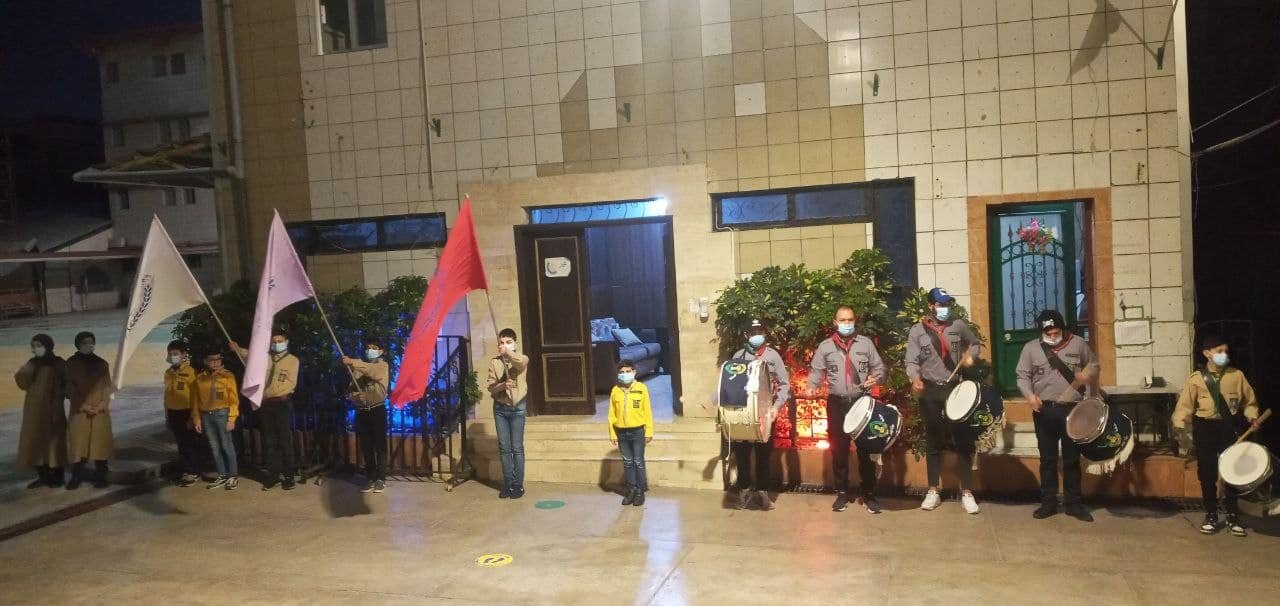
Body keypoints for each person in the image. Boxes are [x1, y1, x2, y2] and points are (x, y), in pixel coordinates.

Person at [1172, 333, 1261, 537]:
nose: (1224, 355)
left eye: (1226, 351)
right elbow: (1184, 406)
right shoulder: (1197, 379)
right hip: (1205, 429)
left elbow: (1250, 402)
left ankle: (1233, 516)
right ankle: (1211, 515)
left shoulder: (1237, 376)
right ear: (1207, 353)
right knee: (1207, 474)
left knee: (1232, 473)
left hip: (1229, 429)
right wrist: (1180, 428)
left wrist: (1252, 417)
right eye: (1219, 351)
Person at [1016, 309, 1099, 522]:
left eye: (1056, 332)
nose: (1053, 337)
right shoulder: (1031, 348)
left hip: (1074, 411)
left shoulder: (1078, 344)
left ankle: (1074, 504)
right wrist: (1030, 396)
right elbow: (1022, 376)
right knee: (1048, 460)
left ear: (1062, 329)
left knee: (1072, 459)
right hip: (1044, 410)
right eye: (1048, 333)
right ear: (1042, 332)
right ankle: (1048, 503)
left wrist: (1087, 374)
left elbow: (1094, 364)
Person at [907, 287, 983, 514]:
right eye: (940, 304)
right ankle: (933, 490)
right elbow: (911, 361)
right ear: (931, 306)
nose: (945, 308)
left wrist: (971, 356)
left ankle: (967, 492)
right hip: (930, 390)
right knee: (933, 440)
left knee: (962, 439)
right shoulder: (917, 331)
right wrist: (915, 379)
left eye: (947, 303)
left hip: (955, 389)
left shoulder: (958, 325)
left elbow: (975, 344)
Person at [805, 306, 886, 514]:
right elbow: (817, 371)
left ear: (855, 321)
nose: (847, 323)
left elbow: (880, 368)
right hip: (837, 403)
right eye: (843, 320)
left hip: (862, 402)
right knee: (839, 449)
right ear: (835, 322)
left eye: (850, 319)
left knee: (865, 449)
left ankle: (869, 494)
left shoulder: (865, 344)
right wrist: (812, 386)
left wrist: (876, 378)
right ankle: (842, 492)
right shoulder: (825, 346)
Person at [723, 319, 791, 511]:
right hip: (743, 414)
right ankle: (744, 490)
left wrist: (776, 407)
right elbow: (729, 383)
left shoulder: (773, 356)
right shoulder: (739, 356)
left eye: (760, 331)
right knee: (742, 455)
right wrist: (714, 400)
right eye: (753, 332)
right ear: (746, 335)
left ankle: (762, 493)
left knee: (763, 455)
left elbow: (784, 384)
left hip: (765, 414)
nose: (757, 335)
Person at [232, 331, 300, 490]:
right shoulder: (265, 358)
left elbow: (290, 384)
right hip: (266, 405)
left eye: (280, 341)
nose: (277, 344)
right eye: (274, 341)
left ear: (286, 342)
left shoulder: (292, 360)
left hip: (281, 404)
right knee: (269, 441)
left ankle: (289, 476)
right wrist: (237, 348)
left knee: (284, 441)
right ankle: (273, 475)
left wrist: (268, 393)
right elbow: (249, 355)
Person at [15, 334, 68, 488]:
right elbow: (23, 383)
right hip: (34, 410)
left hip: (53, 409)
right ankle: (43, 477)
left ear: (48, 346)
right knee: (36, 443)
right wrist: (21, 373)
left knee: (55, 444)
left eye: (39, 345)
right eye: (34, 346)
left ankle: (58, 478)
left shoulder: (59, 363)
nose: (36, 349)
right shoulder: (32, 363)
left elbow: (68, 383)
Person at [65, 331, 113, 490]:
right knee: (78, 445)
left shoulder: (102, 364)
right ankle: (76, 477)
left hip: (99, 411)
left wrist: (102, 405)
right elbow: (69, 389)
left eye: (91, 342)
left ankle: (102, 477)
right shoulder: (70, 364)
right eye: (85, 342)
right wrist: (83, 406)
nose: (89, 345)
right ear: (78, 345)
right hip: (80, 412)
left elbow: (107, 387)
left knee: (100, 445)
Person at [486, 328, 529, 499]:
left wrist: (508, 353)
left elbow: (520, 364)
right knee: (505, 448)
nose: (504, 345)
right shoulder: (494, 362)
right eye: (501, 343)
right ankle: (508, 484)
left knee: (517, 448)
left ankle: (518, 485)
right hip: (500, 409)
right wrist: (503, 385)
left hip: (518, 408)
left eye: (508, 342)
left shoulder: (522, 358)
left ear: (515, 344)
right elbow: (491, 388)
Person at [343, 339, 390, 494]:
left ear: (381, 351)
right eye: (368, 348)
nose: (370, 350)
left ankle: (381, 478)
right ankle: (371, 477)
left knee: (380, 446)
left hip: (377, 410)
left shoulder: (382, 366)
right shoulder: (358, 367)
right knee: (366, 447)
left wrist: (353, 362)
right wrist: (357, 397)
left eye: (374, 348)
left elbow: (373, 372)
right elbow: (350, 391)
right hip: (362, 412)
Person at [193, 351, 241, 490]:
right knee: (214, 447)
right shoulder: (200, 378)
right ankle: (222, 475)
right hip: (206, 416)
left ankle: (233, 475)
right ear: (205, 361)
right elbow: (195, 401)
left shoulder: (228, 376)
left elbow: (234, 399)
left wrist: (232, 419)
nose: (215, 363)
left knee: (227, 445)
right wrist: (196, 419)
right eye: (211, 360)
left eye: (218, 360)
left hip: (222, 414)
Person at [609, 360, 654, 506]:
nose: (625, 374)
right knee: (628, 462)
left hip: (637, 431)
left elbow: (647, 411)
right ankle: (631, 490)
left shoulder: (641, 388)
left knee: (638, 461)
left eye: (628, 371)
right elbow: (611, 414)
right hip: (621, 432)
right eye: (621, 372)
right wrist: (612, 433)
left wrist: (649, 431)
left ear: (634, 372)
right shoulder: (615, 390)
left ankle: (640, 491)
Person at [163, 341, 201, 487]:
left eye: (176, 354)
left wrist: (193, 417)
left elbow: (196, 397)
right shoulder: (168, 373)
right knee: (180, 443)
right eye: (170, 354)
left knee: (190, 443)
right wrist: (167, 416)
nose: (173, 356)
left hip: (187, 412)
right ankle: (186, 470)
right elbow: (167, 396)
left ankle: (194, 471)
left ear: (184, 354)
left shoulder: (191, 372)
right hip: (173, 412)